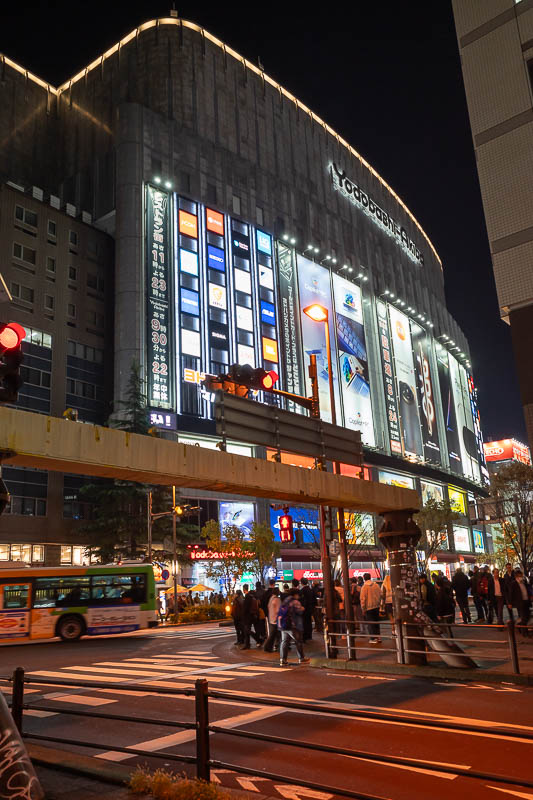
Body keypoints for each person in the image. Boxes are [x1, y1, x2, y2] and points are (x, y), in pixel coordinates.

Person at [278, 588, 310, 665]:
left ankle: (283, 660)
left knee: (284, 642)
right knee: (298, 641)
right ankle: (301, 658)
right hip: (292, 625)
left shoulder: (285, 600)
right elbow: (300, 612)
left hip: (283, 624)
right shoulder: (295, 602)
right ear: (295, 594)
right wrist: (302, 608)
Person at [507, 569, 531, 635]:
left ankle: (518, 624)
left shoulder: (524, 582)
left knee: (527, 616)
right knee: (523, 617)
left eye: (522, 575)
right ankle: (524, 632)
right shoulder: (513, 584)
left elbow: (527, 590)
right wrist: (510, 603)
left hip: (526, 601)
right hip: (520, 603)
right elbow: (510, 594)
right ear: (516, 576)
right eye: (520, 576)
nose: (521, 577)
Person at [360, 572, 381, 644]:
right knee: (376, 622)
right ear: (370, 577)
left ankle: (373, 638)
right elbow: (380, 594)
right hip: (376, 606)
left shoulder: (364, 587)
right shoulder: (376, 585)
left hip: (368, 608)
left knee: (370, 623)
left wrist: (363, 608)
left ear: (364, 578)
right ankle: (378, 637)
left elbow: (363, 599)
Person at [240, 584, 261, 649]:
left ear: (244, 589)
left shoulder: (247, 597)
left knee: (247, 631)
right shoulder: (251, 596)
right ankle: (248, 644)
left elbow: (245, 608)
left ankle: (257, 640)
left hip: (247, 617)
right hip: (252, 616)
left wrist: (242, 615)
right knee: (247, 631)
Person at [264, 587, 281, 652]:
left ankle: (272, 646)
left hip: (271, 618)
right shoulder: (277, 600)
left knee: (273, 634)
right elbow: (278, 610)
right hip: (276, 620)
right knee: (274, 635)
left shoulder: (271, 598)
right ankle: (268, 647)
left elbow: (268, 607)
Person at [299, 577, 315, 642]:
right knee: (309, 622)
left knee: (304, 622)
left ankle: (305, 636)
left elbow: (302, 600)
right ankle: (309, 635)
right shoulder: (310, 590)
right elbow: (314, 599)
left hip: (304, 609)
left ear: (302, 583)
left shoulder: (302, 591)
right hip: (310, 608)